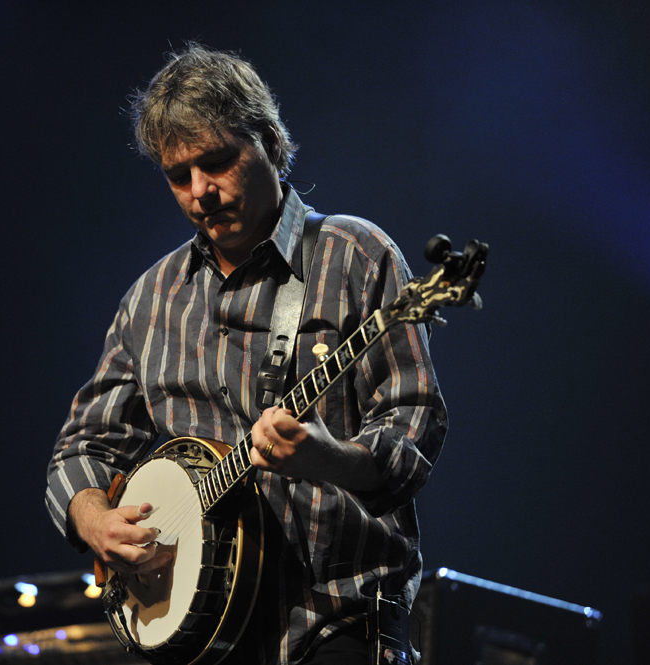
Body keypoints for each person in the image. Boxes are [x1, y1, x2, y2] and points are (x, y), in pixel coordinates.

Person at [45, 43, 446, 665]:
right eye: (180, 176)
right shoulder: (150, 300)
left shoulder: (354, 256)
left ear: (268, 141)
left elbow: (411, 435)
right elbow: (81, 450)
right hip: (200, 640)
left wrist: (325, 457)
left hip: (337, 622)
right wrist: (97, 522)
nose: (201, 191)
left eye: (218, 162)